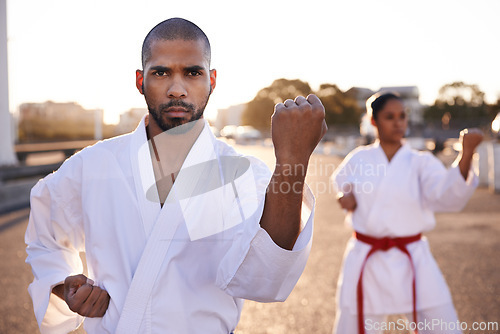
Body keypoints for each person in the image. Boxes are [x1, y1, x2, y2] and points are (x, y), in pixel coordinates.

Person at [25, 18, 327, 334]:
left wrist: (293, 161)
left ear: (211, 80)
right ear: (141, 80)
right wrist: (65, 286)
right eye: (161, 72)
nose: (177, 89)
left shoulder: (241, 174)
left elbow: (265, 277)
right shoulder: (94, 165)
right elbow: (45, 236)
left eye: (192, 73)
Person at [331, 92, 483, 334]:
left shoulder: (420, 162)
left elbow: (445, 195)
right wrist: (345, 197)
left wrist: (466, 154)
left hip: (413, 256)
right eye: (389, 117)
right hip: (366, 258)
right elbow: (341, 185)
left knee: (443, 326)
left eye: (402, 116)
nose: (398, 122)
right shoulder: (358, 159)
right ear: (374, 121)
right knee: (352, 325)